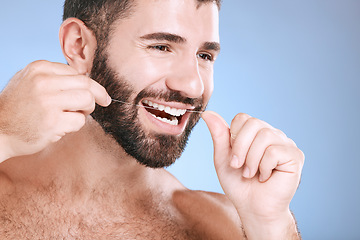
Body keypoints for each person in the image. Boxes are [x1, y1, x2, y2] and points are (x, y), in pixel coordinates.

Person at [0, 0, 304, 239]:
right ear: (79, 45)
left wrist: (272, 225)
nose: (193, 86)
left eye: (204, 56)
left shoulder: (224, 228)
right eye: (161, 47)